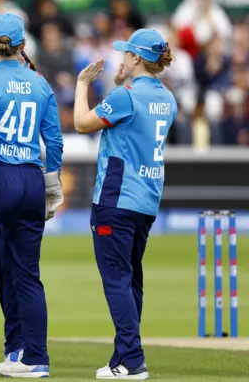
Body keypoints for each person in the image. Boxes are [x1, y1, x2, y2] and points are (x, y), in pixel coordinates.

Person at [0, 13, 63, 379]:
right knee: (28, 276)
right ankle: (35, 359)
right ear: (23, 46)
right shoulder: (40, 83)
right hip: (31, 179)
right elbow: (53, 140)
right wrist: (52, 186)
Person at [73, 29, 176, 380]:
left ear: (135, 58)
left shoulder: (126, 96)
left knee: (117, 281)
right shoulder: (168, 98)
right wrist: (118, 86)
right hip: (146, 199)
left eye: (126, 53)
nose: (121, 57)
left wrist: (82, 84)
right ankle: (122, 357)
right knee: (130, 281)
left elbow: (81, 123)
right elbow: (126, 120)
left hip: (116, 199)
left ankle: (132, 361)